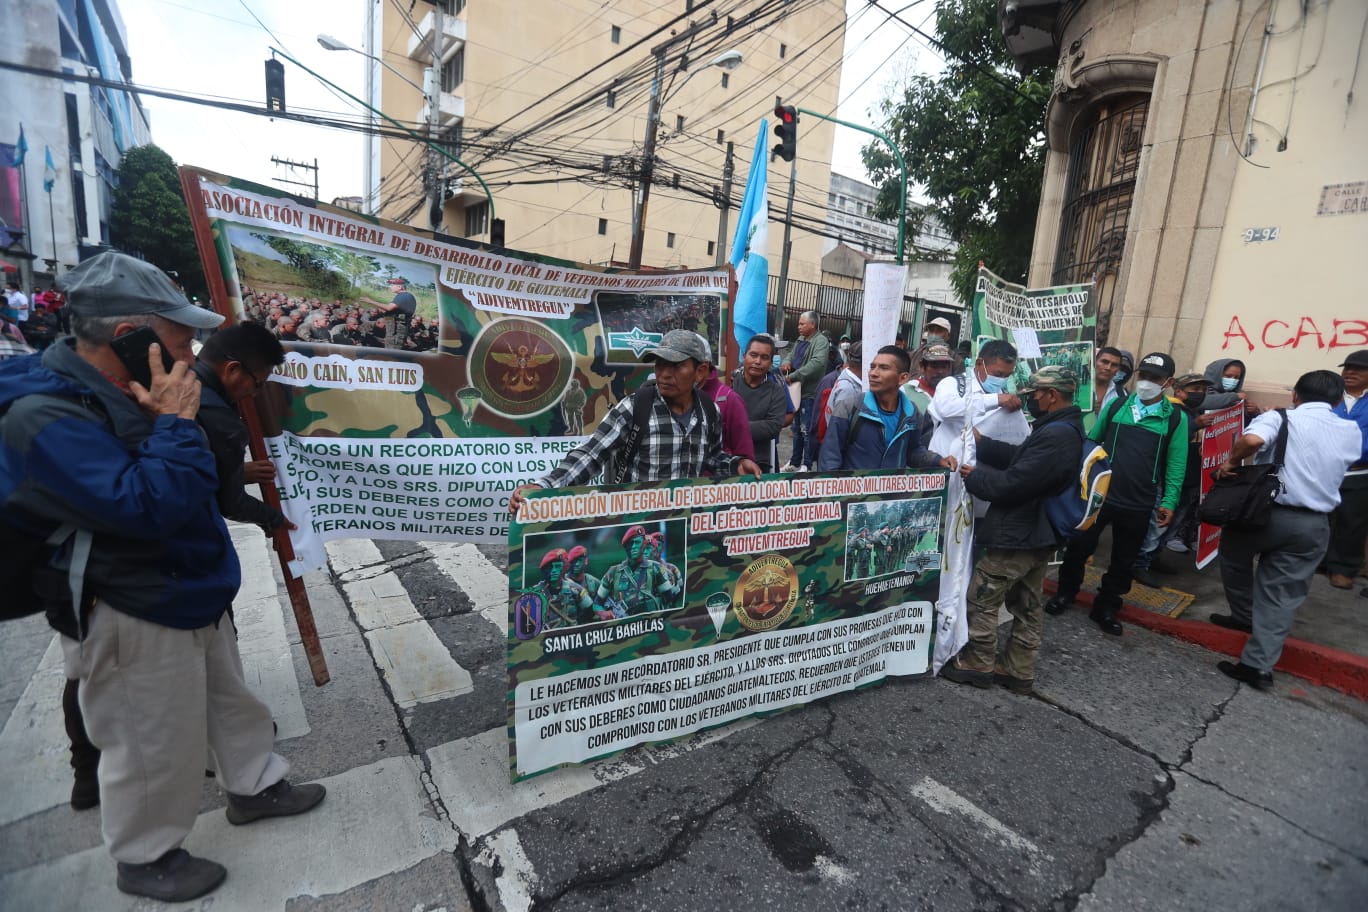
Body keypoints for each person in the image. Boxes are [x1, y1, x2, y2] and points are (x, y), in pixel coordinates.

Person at [0, 252, 324, 902]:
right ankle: (147, 855)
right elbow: (145, 505)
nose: (190, 348)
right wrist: (174, 422)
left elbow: (197, 483)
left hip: (191, 584)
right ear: (131, 338)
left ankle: (254, 785)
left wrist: (172, 424)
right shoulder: (47, 413)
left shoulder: (127, 389)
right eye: (179, 335)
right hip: (132, 600)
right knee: (150, 739)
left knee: (231, 703)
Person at [1212, 371, 1361, 689]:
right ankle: (1257, 667)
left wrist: (1231, 463)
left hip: (1263, 513)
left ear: (1296, 395)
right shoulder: (1350, 429)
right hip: (1314, 524)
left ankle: (1243, 613)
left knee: (1233, 557)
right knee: (1281, 595)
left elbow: (1251, 441)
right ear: (1337, 401)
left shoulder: (1280, 418)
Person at [941, 366, 1085, 693]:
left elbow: (1015, 483)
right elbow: (1022, 459)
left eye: (1034, 394)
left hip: (1021, 533)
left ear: (1051, 395)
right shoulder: (1064, 427)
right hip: (1039, 533)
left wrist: (973, 476)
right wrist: (983, 442)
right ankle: (1018, 669)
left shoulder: (1056, 435)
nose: (1031, 400)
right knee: (1027, 603)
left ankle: (978, 663)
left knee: (982, 596)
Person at [509, 330, 760, 512]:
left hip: (685, 523)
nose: (664, 374)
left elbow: (712, 457)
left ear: (701, 371)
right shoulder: (635, 407)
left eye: (676, 366)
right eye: (660, 365)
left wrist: (736, 465)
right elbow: (591, 454)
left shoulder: (709, 411)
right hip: (636, 523)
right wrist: (544, 486)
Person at [1048, 352, 1188, 636]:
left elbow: (1176, 464)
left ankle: (1107, 606)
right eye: (1144, 376)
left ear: (1168, 382)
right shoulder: (1118, 406)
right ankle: (1065, 593)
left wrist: (1170, 501)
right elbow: (1092, 442)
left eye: (1156, 378)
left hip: (1139, 501)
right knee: (1078, 548)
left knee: (1124, 559)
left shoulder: (1175, 418)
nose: (1147, 382)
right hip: (1100, 497)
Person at [928, 339, 1028, 670]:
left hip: (975, 489)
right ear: (981, 364)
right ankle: (933, 622)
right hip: (944, 484)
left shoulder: (1002, 398)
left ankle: (955, 628)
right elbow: (948, 411)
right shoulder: (953, 384)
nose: (1002, 380)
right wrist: (994, 398)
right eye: (998, 373)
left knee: (964, 560)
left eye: (1007, 376)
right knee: (937, 554)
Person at [193, 322, 295, 535]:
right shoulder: (223, 422)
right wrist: (274, 518)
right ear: (232, 369)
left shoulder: (174, 379)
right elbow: (231, 503)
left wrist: (235, 473)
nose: (255, 394)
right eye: (258, 384)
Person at [817, 345, 955, 472]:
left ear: (903, 378)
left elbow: (912, 451)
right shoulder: (850, 407)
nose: (873, 373)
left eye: (884, 368)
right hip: (853, 497)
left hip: (891, 497)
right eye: (872, 367)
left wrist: (937, 460)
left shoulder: (911, 413)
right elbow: (830, 457)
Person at [1327, 350, 1368, 589]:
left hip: (1359, 471)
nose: (1350, 372)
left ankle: (1343, 568)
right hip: (1324, 469)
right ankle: (1320, 561)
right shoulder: (1330, 396)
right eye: (1347, 368)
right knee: (1321, 518)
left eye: (1359, 369)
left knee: (1352, 521)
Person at [779, 311, 830, 472]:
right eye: (799, 324)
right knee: (796, 429)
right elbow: (790, 356)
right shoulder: (801, 340)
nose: (798, 326)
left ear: (813, 325)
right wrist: (786, 363)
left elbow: (817, 363)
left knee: (807, 430)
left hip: (809, 392)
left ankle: (807, 464)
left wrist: (794, 376)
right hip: (796, 391)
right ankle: (794, 462)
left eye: (802, 324)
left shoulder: (820, 341)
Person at [731, 333, 789, 472]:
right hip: (728, 458)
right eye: (753, 355)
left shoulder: (776, 391)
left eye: (764, 358)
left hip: (761, 460)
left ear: (770, 363)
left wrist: (734, 428)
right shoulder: (730, 383)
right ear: (744, 356)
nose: (758, 361)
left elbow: (773, 425)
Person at [696, 339, 755, 464]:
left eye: (679, 366)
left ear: (703, 368)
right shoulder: (662, 398)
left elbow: (744, 458)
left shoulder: (730, 400)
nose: (668, 374)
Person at [901, 343, 956, 439]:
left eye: (944, 367)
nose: (940, 371)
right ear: (922, 367)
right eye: (934, 366)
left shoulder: (955, 393)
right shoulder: (906, 391)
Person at [360, 277, 417, 349]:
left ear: (399, 287)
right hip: (397, 331)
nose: (390, 287)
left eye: (392, 285)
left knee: (391, 351)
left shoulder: (402, 296)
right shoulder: (408, 296)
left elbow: (389, 308)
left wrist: (370, 301)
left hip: (395, 333)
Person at [1084, 346, 1125, 432]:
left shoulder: (1121, 395)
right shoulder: (1077, 386)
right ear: (1094, 362)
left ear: (1118, 370)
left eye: (1114, 365)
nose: (1108, 368)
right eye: (1104, 362)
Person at [907, 316, 953, 381]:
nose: (934, 334)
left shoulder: (956, 360)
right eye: (931, 330)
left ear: (948, 336)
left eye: (939, 331)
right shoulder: (915, 353)